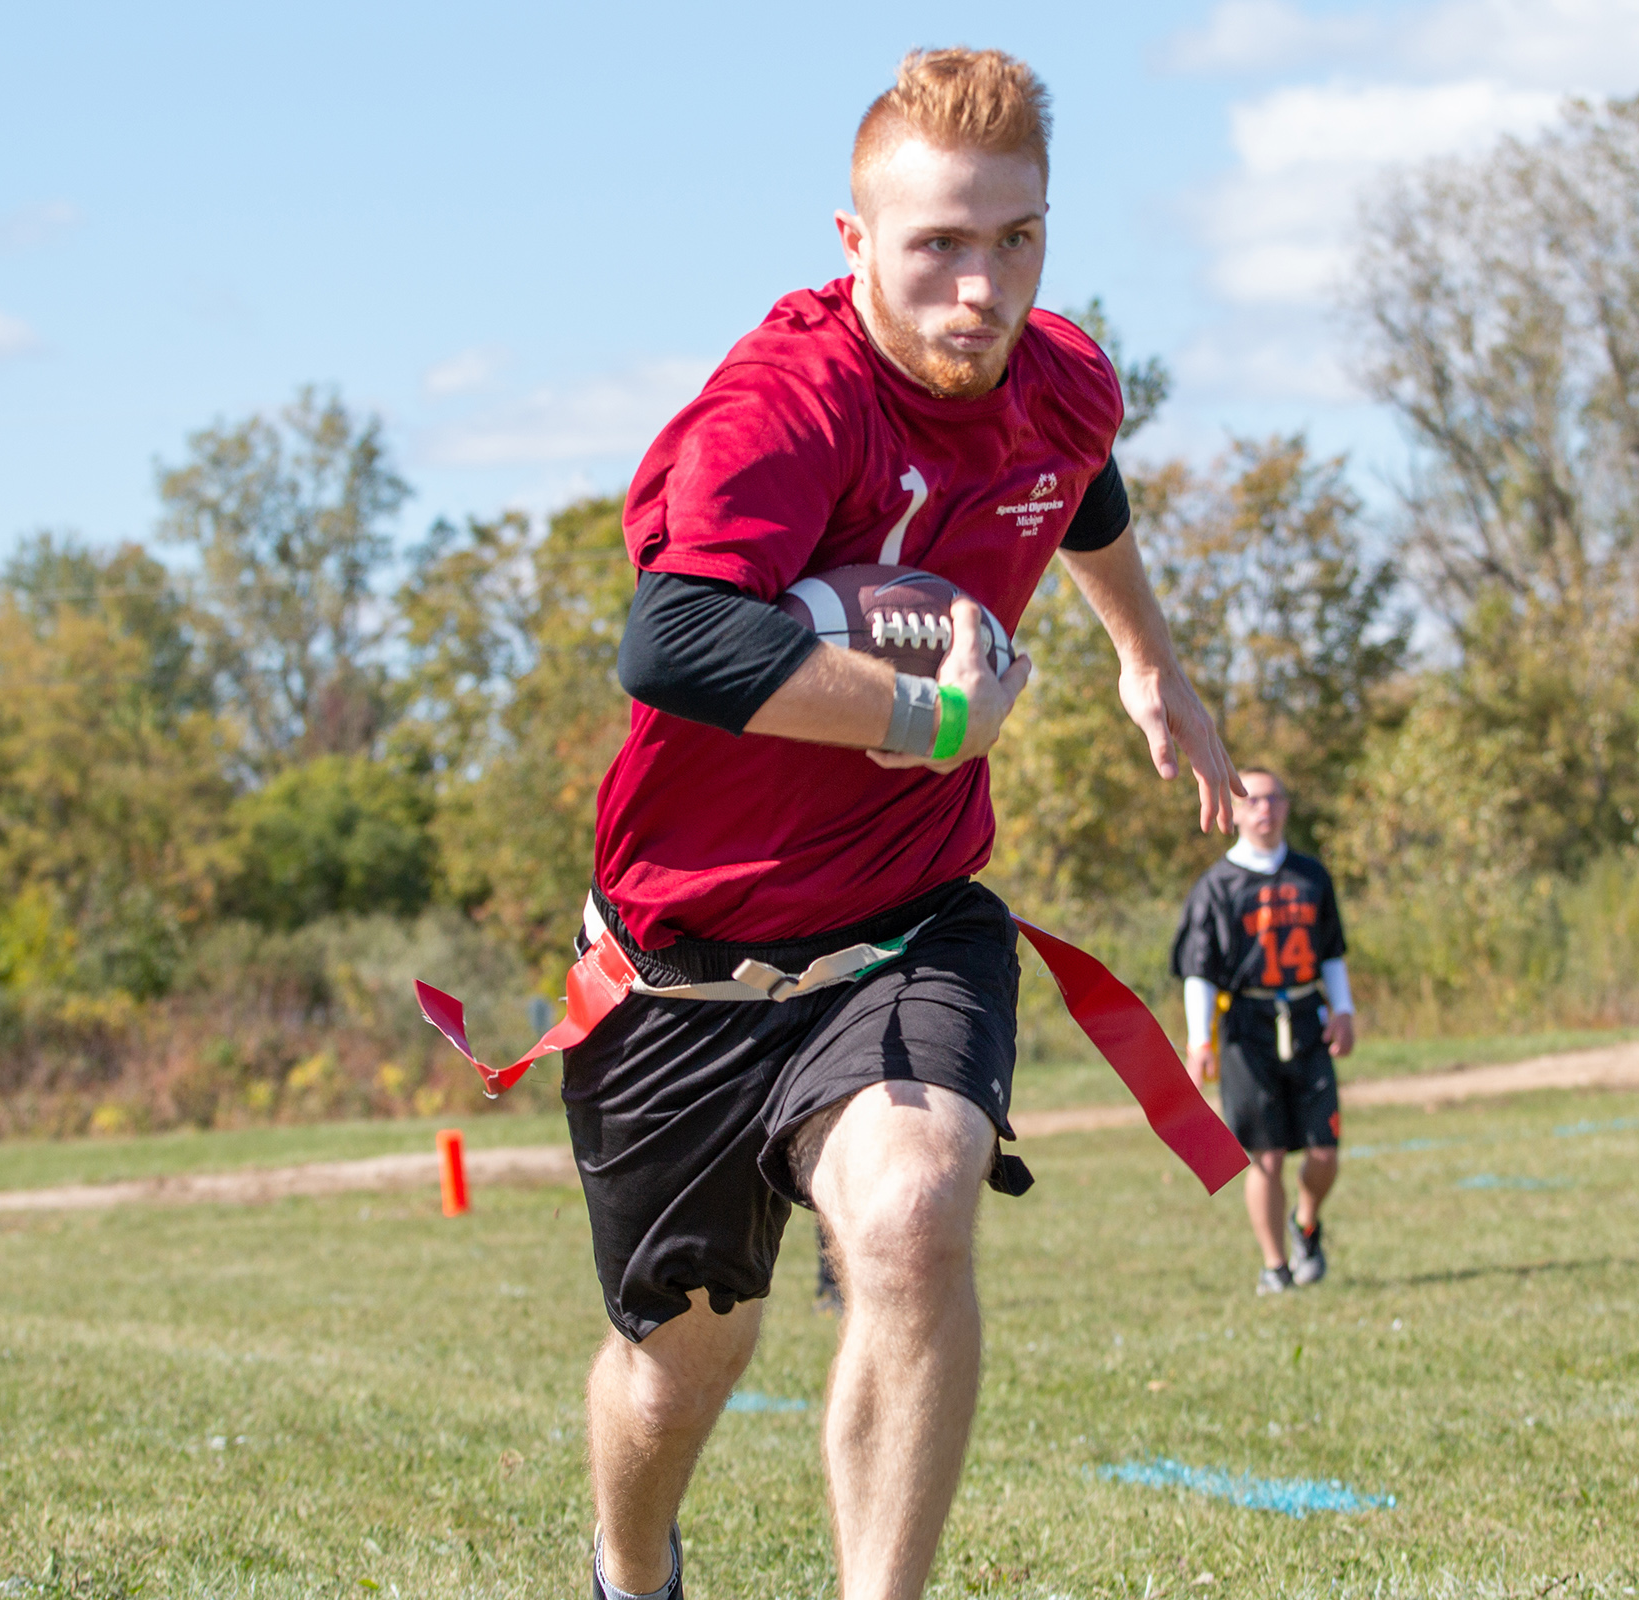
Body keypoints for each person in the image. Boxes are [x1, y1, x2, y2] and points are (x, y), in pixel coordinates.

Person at [566, 49, 1238, 1600]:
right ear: (854, 239)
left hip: (905, 921)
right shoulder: (783, 407)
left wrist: (1157, 669)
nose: (980, 287)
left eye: (1019, 240)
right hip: (683, 964)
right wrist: (927, 714)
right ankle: (630, 1562)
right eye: (938, 242)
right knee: (682, 1365)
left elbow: (1085, 492)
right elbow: (673, 644)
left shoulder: (1059, 377)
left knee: (919, 1210)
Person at [1171, 769, 1356, 1294]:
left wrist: (1342, 1009)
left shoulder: (1310, 875)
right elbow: (1199, 971)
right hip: (1246, 1028)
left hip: (1305, 1018)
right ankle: (1275, 1266)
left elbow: (1333, 952)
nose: (1264, 810)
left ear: (1287, 806)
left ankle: (1307, 1223)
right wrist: (1199, 1039)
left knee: (1325, 1150)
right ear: (1236, 812)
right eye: (1252, 801)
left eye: (1273, 799)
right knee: (1265, 1154)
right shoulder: (1217, 885)